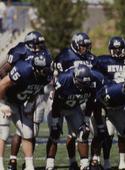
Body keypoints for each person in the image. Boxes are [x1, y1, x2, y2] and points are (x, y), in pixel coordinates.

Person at [0, 31, 50, 170]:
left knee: (30, 131)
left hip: (33, 93)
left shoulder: (44, 54)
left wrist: (29, 96)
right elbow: (2, 72)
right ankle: (9, 161)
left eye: (41, 43)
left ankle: (28, 164)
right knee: (5, 131)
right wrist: (17, 85)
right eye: (37, 43)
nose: (40, 46)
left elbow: (41, 82)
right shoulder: (20, 51)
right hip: (16, 91)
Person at [53, 32, 101, 170]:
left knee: (82, 132)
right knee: (67, 133)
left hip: (85, 96)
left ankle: (87, 163)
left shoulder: (92, 58)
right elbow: (62, 81)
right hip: (67, 96)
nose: (85, 49)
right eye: (82, 46)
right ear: (75, 46)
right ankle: (70, 162)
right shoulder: (65, 56)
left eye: (86, 46)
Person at [92, 36, 125, 170]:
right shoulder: (102, 61)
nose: (117, 51)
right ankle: (95, 161)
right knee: (100, 133)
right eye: (115, 49)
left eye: (120, 49)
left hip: (118, 103)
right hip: (103, 100)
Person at [45, 64, 104, 170]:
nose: (83, 86)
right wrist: (55, 123)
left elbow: (91, 103)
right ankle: (49, 165)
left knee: (83, 133)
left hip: (74, 107)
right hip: (57, 107)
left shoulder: (94, 81)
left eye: (86, 83)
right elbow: (56, 104)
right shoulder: (64, 80)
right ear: (74, 77)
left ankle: (84, 165)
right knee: (55, 134)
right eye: (81, 83)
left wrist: (86, 122)